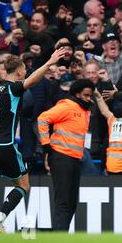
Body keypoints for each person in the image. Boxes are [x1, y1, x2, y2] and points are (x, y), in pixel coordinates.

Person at [0, 49, 66, 233]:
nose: (25, 74)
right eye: (24, 71)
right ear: (20, 72)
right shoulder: (13, 88)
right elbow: (33, 81)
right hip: (5, 145)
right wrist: (49, 63)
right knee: (23, 185)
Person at [37, 79, 95, 231]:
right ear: (77, 94)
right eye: (86, 95)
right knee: (63, 202)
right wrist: (46, 146)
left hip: (74, 159)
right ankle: (59, 239)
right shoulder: (67, 106)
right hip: (61, 157)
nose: (89, 98)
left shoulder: (84, 110)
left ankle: (60, 235)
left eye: (90, 96)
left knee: (71, 203)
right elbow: (42, 118)